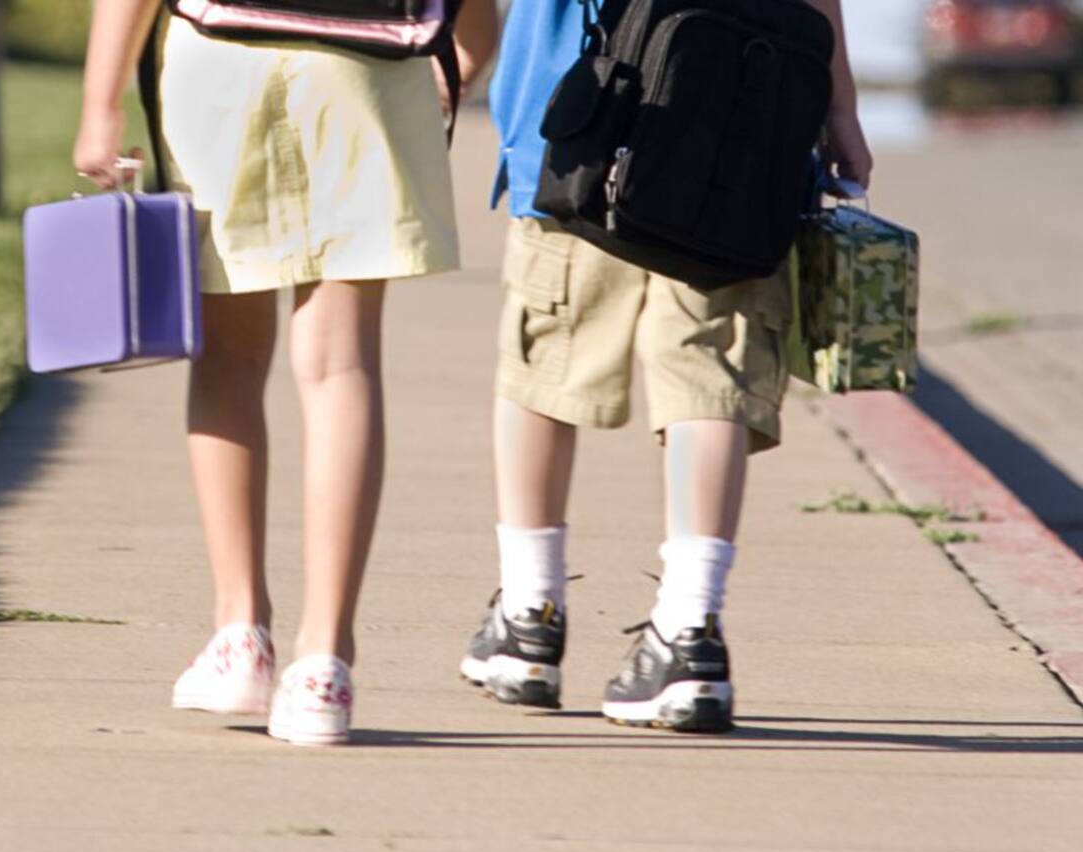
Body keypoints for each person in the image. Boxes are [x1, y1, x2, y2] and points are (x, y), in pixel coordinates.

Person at [73, 0, 495, 745]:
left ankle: (240, 635)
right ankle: (324, 661)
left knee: (229, 363)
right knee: (341, 367)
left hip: (221, 67)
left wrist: (100, 105)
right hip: (370, 72)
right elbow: (476, 24)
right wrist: (459, 62)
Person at [459, 0, 873, 731]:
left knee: (545, 362)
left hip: (580, 113)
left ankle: (529, 617)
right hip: (741, 113)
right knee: (709, 377)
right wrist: (840, 108)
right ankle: (689, 632)